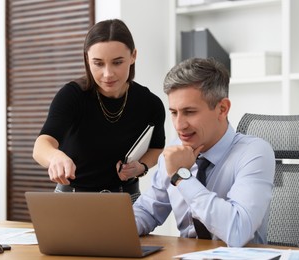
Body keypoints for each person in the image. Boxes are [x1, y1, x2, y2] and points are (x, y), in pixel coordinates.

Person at [133, 57, 275, 247]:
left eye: (190, 112)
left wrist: (182, 176)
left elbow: (237, 231)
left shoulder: (254, 152)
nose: (179, 125)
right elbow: (148, 211)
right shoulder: (174, 153)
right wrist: (112, 231)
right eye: (174, 112)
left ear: (222, 109)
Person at [32, 19, 166, 202]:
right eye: (98, 63)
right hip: (71, 197)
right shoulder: (72, 95)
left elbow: (157, 148)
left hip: (127, 196)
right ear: (87, 59)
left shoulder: (150, 103)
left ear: (133, 56)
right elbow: (41, 146)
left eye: (117, 62)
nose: (108, 74)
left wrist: (141, 166)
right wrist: (55, 157)